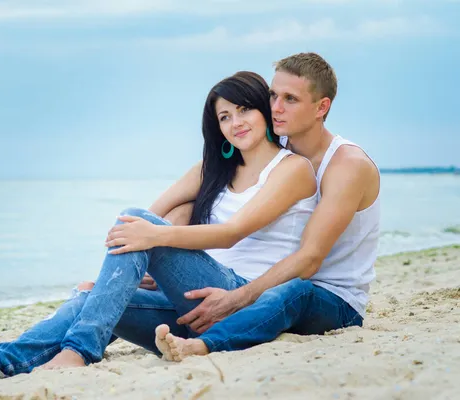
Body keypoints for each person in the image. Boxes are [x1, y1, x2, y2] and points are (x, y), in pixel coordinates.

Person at [0, 70, 318, 384]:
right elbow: (143, 220)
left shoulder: (293, 169)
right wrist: (123, 274)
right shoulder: (210, 170)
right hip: (195, 302)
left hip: (247, 299)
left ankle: (79, 352)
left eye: (244, 110)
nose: (236, 123)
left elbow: (232, 232)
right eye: (224, 117)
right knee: (91, 299)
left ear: (264, 112)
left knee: (137, 229)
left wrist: (155, 237)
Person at [154, 52, 381, 362]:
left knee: (295, 290)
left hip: (333, 300)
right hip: (270, 286)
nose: (275, 107)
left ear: (322, 107)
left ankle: (203, 345)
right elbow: (200, 197)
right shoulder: (276, 154)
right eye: (273, 95)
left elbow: (310, 258)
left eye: (290, 99)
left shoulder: (346, 165)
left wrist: (237, 298)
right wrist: (155, 255)